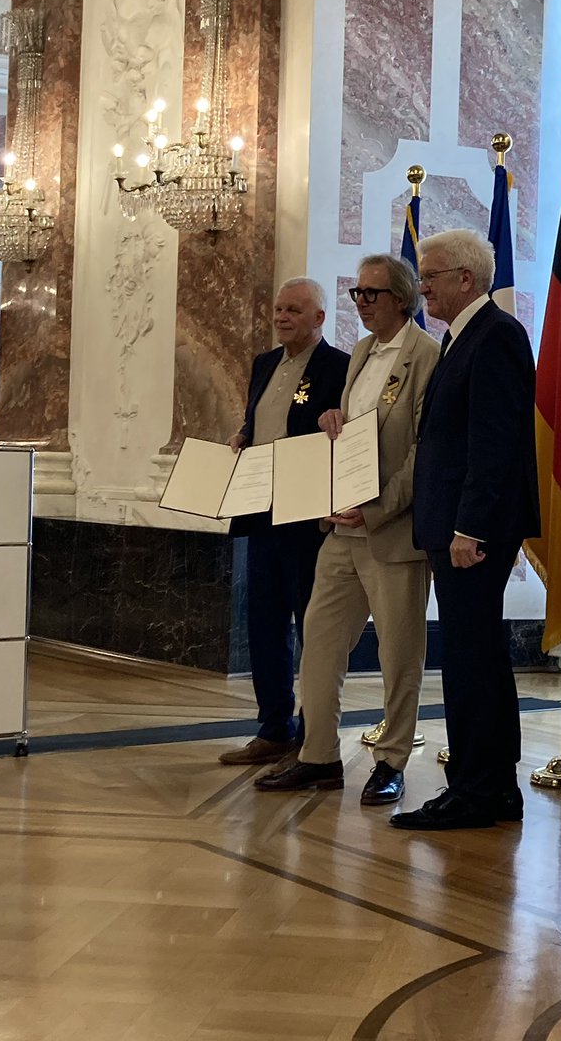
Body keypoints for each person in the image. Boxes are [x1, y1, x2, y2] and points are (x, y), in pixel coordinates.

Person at [255, 254, 439, 805]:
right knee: (319, 642)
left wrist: (377, 509)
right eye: (357, 293)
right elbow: (354, 427)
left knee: (398, 656)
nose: (361, 303)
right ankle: (318, 756)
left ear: (401, 298)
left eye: (371, 294)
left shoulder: (425, 355)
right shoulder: (360, 352)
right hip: (340, 528)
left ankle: (392, 761)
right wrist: (332, 419)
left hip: (391, 532)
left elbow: (422, 453)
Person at [392, 229, 540, 830]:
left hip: (471, 530)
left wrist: (471, 527)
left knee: (470, 659)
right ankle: (494, 787)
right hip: (455, 523)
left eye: (429, 276)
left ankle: (475, 791)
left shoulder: (496, 335)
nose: (421, 287)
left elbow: (494, 443)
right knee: (476, 655)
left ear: (466, 279)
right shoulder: (461, 337)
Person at [218, 278, 350, 766]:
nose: (281, 317)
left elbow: (346, 432)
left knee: (313, 628)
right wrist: (243, 435)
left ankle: (313, 737)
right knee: (264, 624)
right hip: (260, 510)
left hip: (307, 515)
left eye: (293, 310)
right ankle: (274, 728)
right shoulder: (264, 363)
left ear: (319, 318)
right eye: (278, 309)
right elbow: (261, 423)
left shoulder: (340, 367)